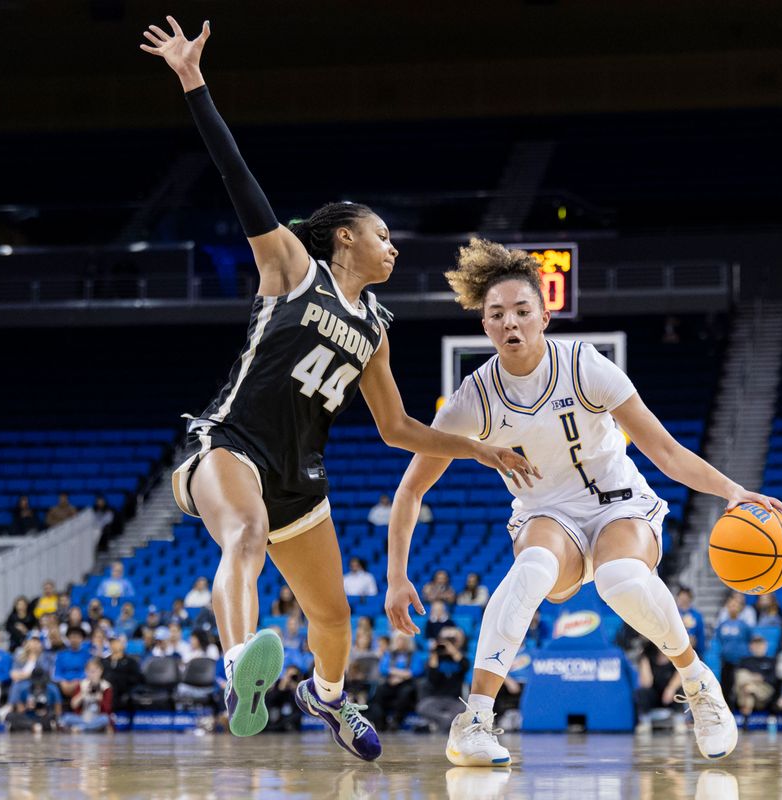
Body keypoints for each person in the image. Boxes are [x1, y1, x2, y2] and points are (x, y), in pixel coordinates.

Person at [142, 13, 533, 755]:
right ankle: (238, 671)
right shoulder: (291, 268)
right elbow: (237, 179)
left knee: (333, 619)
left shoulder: (377, 326)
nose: (393, 245)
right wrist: (193, 82)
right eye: (383, 233)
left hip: (301, 473)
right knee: (245, 533)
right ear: (346, 235)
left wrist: (480, 450)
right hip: (228, 446)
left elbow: (397, 430)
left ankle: (325, 699)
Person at [384, 237, 782, 762]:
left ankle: (696, 682)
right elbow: (411, 488)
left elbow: (664, 451)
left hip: (619, 505)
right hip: (545, 514)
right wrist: (398, 576)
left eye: (522, 311)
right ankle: (474, 721)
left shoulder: (585, 365)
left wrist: (733, 491)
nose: (511, 323)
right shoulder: (474, 397)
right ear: (484, 325)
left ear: (544, 316)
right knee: (532, 568)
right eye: (497, 314)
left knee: (621, 579)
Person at [417, 626, 471, 733]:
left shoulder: (460, 657)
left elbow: (465, 666)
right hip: (436, 698)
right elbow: (432, 678)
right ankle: (446, 723)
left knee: (462, 711)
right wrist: (434, 653)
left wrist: (453, 650)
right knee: (422, 707)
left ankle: (438, 726)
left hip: (455, 699)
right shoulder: (435, 658)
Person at [368, 632, 425, 731]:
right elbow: (383, 669)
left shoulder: (414, 655)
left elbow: (416, 671)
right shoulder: (389, 654)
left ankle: (396, 721)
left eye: (403, 640)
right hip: (391, 681)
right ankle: (380, 721)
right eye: (399, 640)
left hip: (407, 683)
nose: (401, 642)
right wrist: (400, 674)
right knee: (379, 691)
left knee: (405, 692)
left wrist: (398, 675)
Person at [61, 658, 114, 732]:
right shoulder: (82, 684)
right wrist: (82, 694)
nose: (92, 674)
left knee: (105, 719)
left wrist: (101, 699)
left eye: (94, 671)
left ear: (101, 671)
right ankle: (88, 728)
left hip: (97, 717)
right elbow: (73, 705)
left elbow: (108, 709)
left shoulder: (106, 686)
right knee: (65, 718)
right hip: (83, 717)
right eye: (90, 671)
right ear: (86, 672)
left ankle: (82, 728)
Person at [6, 667, 63, 733]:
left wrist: (45, 710)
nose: (38, 684)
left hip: (45, 717)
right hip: (29, 718)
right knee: (10, 716)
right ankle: (34, 726)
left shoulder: (53, 689)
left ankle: (34, 727)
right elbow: (20, 710)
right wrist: (27, 707)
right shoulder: (24, 689)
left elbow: (58, 711)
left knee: (53, 719)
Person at [733, 634, 777, 716]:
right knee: (744, 680)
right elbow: (738, 678)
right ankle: (746, 716)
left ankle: (745, 719)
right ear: (750, 646)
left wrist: (761, 678)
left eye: (760, 644)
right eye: (755, 644)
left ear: (765, 646)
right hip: (747, 691)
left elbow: (774, 679)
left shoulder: (771, 661)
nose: (758, 647)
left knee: (747, 686)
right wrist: (754, 678)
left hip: (763, 691)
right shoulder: (744, 661)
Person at [102, 634, 143, 712]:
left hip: (123, 687)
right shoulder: (104, 661)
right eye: (112, 643)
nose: (113, 645)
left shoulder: (131, 661)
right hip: (105, 687)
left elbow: (136, 678)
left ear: (123, 645)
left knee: (112, 682)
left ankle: (109, 712)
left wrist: (119, 678)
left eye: (116, 642)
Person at [715, 598, 753, 669]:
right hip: (726, 660)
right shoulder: (722, 625)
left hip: (741, 659)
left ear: (739, 608)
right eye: (731, 606)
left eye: (735, 606)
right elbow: (719, 639)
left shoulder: (744, 625)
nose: (733, 608)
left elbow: (749, 638)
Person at [53, 626, 91, 698]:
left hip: (80, 682)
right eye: (72, 637)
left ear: (82, 639)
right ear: (68, 638)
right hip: (63, 683)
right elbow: (57, 671)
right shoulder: (61, 654)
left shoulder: (87, 654)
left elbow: (88, 671)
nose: (74, 640)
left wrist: (77, 681)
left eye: (77, 637)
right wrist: (62, 682)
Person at [675, 587, 705, 655]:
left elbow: (700, 634)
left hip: (693, 649)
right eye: (682, 596)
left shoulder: (696, 615)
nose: (684, 599)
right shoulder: (674, 613)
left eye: (686, 596)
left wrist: (701, 650)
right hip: (676, 648)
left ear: (690, 598)